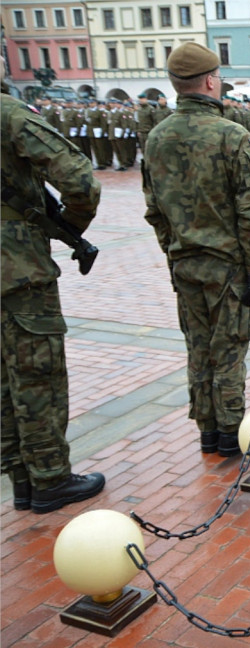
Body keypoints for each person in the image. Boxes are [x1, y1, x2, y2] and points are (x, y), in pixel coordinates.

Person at [143, 42, 250, 458]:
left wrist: (174, 252)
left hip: (185, 264)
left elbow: (154, 210)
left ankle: (207, 431)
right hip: (227, 266)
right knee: (229, 350)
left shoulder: (157, 137)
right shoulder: (232, 136)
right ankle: (230, 433)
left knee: (198, 350)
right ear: (212, 80)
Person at [1, 65, 107, 514]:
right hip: (18, 270)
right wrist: (67, 229)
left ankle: (21, 480)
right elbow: (81, 182)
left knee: (4, 381)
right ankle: (50, 480)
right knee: (36, 375)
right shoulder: (9, 114)